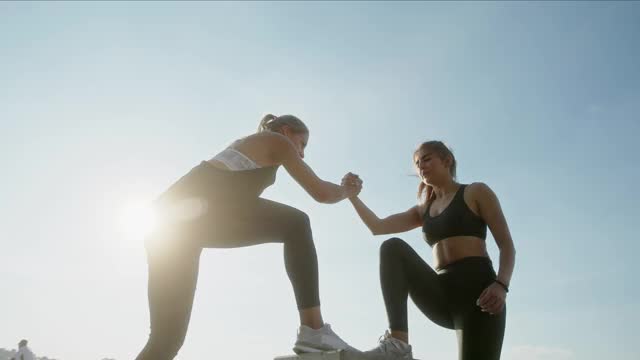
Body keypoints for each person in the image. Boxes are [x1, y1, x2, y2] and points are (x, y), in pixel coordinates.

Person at [136, 114, 362, 360]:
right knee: (296, 224)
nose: (302, 153)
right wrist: (347, 191)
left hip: (169, 230)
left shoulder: (252, 146)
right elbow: (320, 192)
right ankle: (314, 332)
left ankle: (314, 333)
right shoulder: (276, 141)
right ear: (286, 132)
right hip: (192, 218)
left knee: (166, 340)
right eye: (302, 144)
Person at [344, 140, 516, 360]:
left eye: (426, 159)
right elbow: (377, 227)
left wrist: (501, 284)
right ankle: (398, 345)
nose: (421, 166)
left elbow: (506, 245)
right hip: (441, 294)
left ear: (446, 160)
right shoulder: (423, 210)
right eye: (417, 163)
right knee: (392, 248)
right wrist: (352, 197)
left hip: (479, 297)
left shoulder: (476, 192)